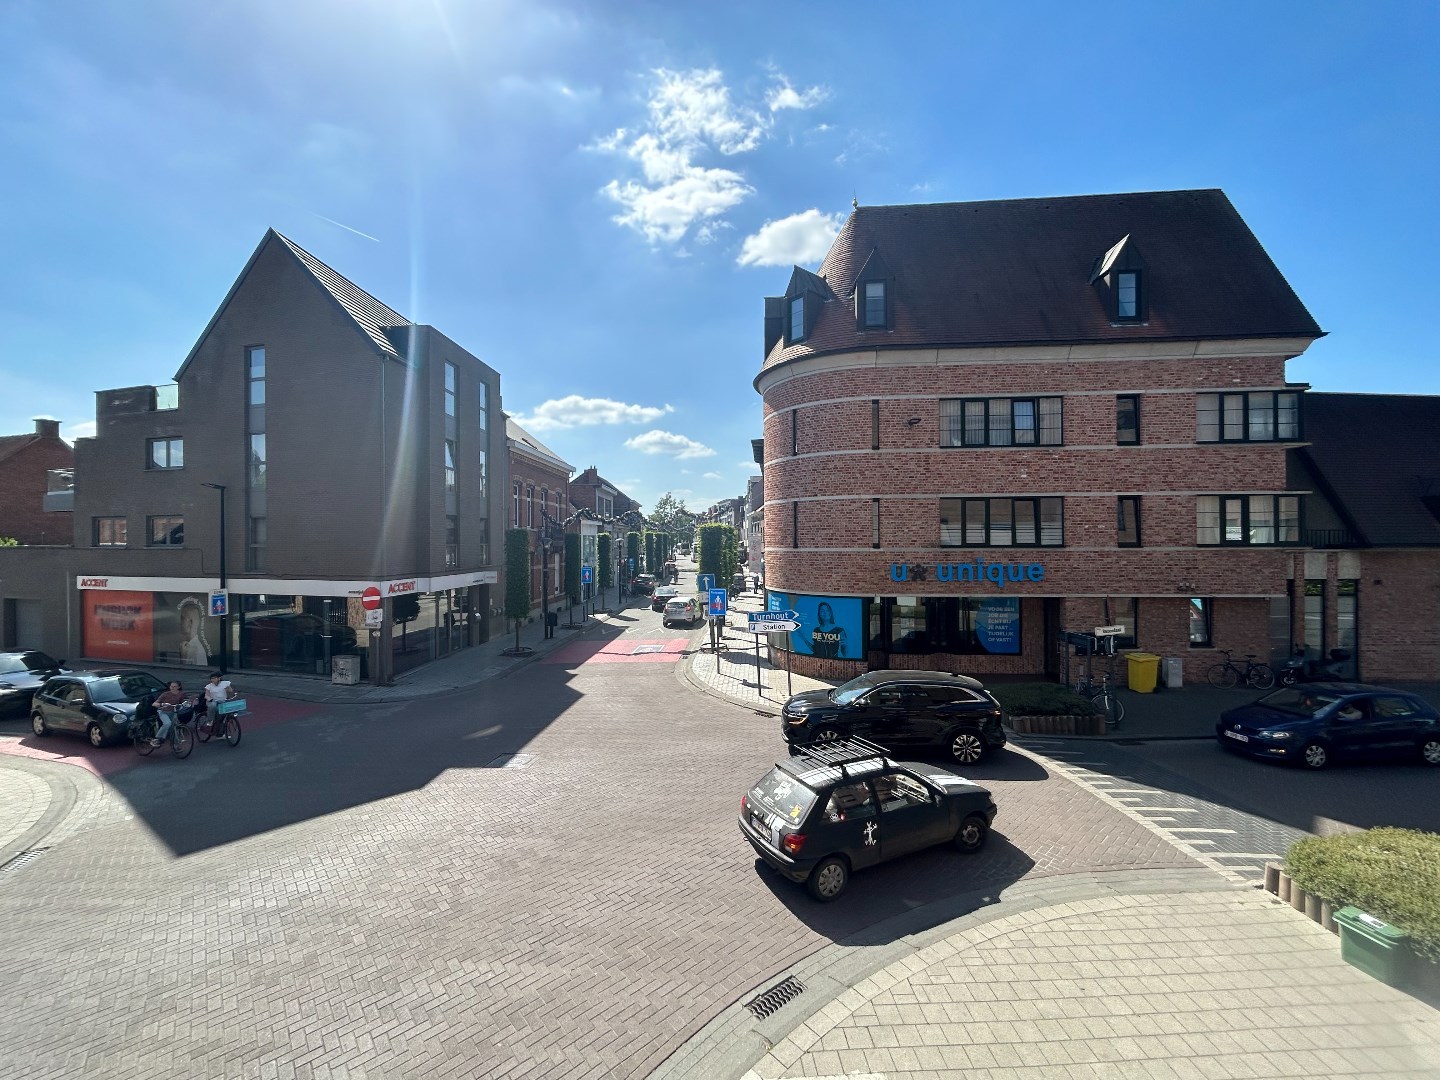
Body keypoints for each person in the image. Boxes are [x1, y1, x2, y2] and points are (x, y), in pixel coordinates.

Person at [151, 679, 189, 746]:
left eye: (175, 686)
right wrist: (162, 704)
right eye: (171, 686)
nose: (172, 688)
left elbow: (185, 700)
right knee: (167, 723)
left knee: (175, 726)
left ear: (179, 687)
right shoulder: (165, 694)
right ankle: (158, 739)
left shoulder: (182, 694)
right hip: (163, 712)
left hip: (174, 712)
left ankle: (176, 744)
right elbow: (154, 703)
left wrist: (188, 702)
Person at [178, 597, 211, 666]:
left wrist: (183, 658)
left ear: (190, 622)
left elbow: (195, 676)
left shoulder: (198, 652)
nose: (180, 622)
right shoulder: (186, 646)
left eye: (182, 619)